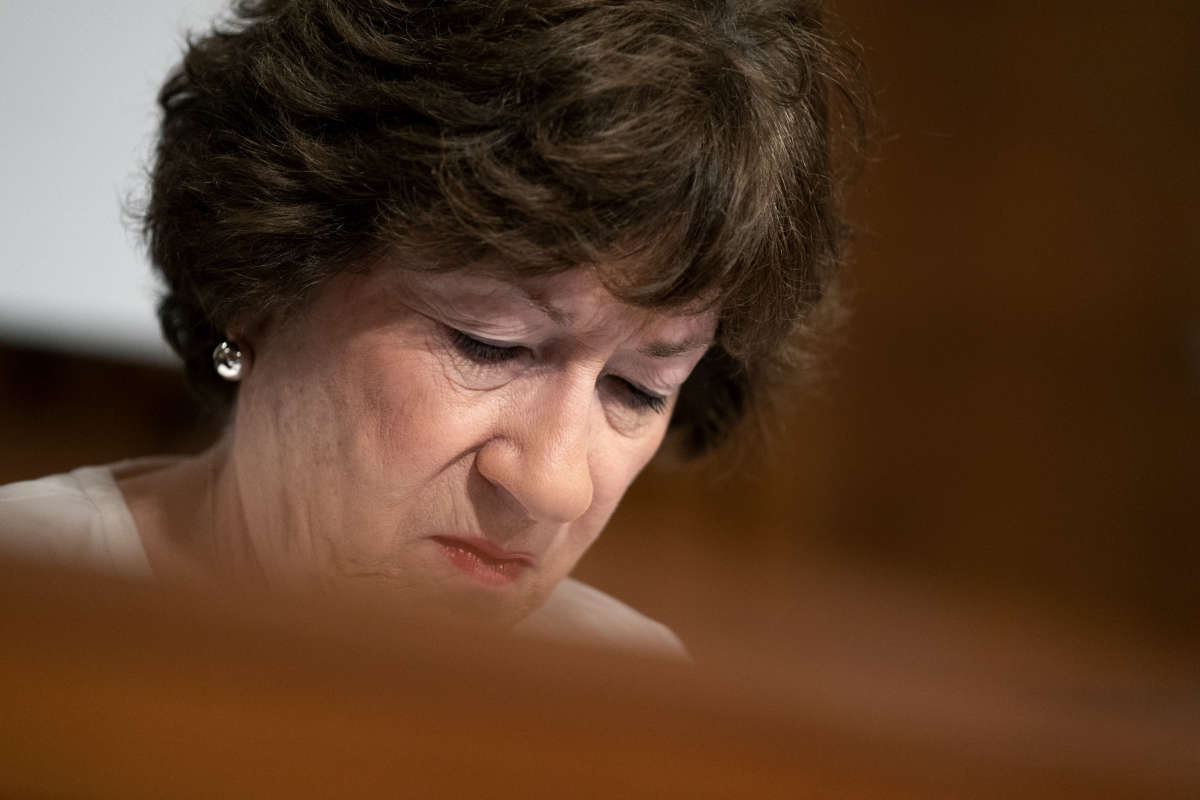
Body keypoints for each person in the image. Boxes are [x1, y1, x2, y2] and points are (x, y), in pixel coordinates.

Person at [0, 0, 864, 657]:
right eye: (489, 343)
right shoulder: (30, 613)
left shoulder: (630, 694)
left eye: (639, 388)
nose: (554, 487)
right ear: (262, 280)